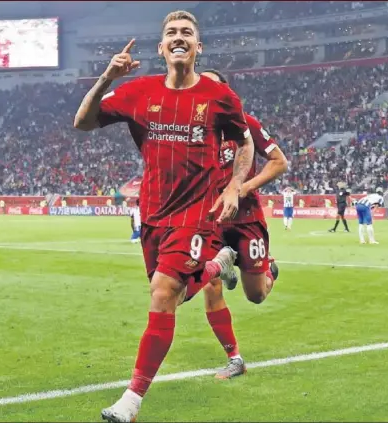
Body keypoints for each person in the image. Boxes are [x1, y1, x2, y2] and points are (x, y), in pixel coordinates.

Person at [73, 11, 255, 423]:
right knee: (175, 293)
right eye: (171, 32)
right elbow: (82, 123)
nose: (179, 37)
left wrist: (233, 186)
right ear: (161, 47)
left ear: (198, 47)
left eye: (187, 33)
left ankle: (131, 401)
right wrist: (106, 77)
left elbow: (245, 143)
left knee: (162, 293)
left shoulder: (219, 97)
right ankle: (216, 265)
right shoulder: (139, 92)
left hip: (195, 215)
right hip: (153, 214)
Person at [192, 69, 288, 379]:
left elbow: (280, 162)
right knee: (209, 284)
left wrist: (243, 188)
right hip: (212, 221)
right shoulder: (194, 130)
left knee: (256, 296)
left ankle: (267, 270)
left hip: (247, 219)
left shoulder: (247, 125)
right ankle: (235, 358)